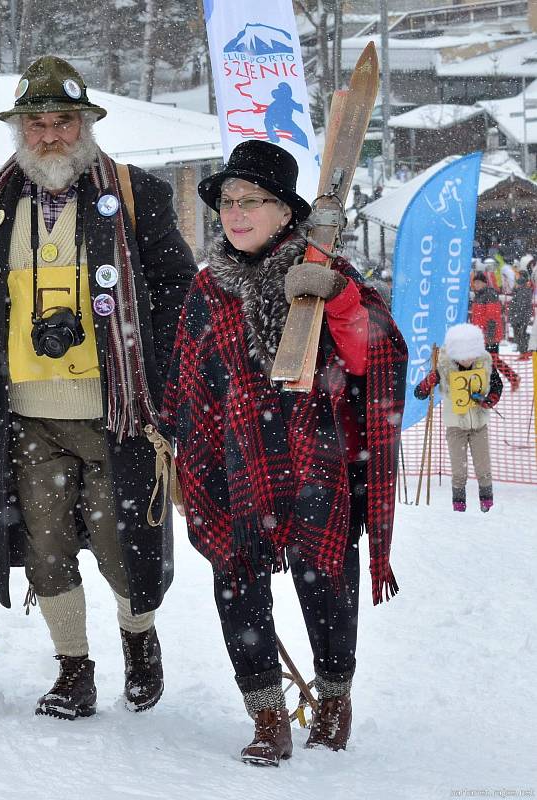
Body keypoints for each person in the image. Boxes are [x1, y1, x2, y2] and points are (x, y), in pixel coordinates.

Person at [0, 56, 197, 719]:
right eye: (35, 124)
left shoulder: (134, 193)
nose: (49, 136)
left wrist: (161, 386)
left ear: (86, 123)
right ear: (19, 131)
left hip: (117, 413)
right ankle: (74, 669)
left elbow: (180, 294)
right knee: (47, 549)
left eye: (62, 121)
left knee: (125, 548)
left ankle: (139, 642)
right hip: (25, 415)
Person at [157, 140, 407, 763]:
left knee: (326, 584)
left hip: (315, 457)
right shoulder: (208, 289)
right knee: (236, 585)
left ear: (287, 211)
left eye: (253, 201)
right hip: (235, 464)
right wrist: (187, 452)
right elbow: (189, 383)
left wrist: (339, 302)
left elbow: (375, 359)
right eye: (227, 202)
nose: (236, 213)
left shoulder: (329, 277)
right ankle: (267, 712)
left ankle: (332, 699)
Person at [414, 323, 502, 513]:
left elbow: (497, 386)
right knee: (459, 471)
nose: (467, 360)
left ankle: (487, 505)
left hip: (479, 425)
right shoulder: (445, 367)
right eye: (462, 356)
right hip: (455, 427)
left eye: (471, 355)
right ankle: (459, 507)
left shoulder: (485, 365)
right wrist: (427, 383)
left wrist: (490, 400)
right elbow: (418, 393)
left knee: (483, 468)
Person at [470, 270, 520, 391]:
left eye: (478, 282)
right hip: (481, 335)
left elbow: (493, 316)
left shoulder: (489, 294)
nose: (476, 285)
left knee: (492, 361)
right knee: (491, 361)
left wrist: (490, 336)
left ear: (484, 283)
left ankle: (509, 379)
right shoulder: (479, 295)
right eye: (475, 282)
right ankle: (508, 380)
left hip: (489, 336)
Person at [509, 269, 533, 356]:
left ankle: (524, 352)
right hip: (519, 317)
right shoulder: (522, 289)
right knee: (519, 335)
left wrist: (516, 317)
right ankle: (523, 351)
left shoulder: (524, 289)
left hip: (520, 317)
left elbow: (521, 305)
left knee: (521, 335)